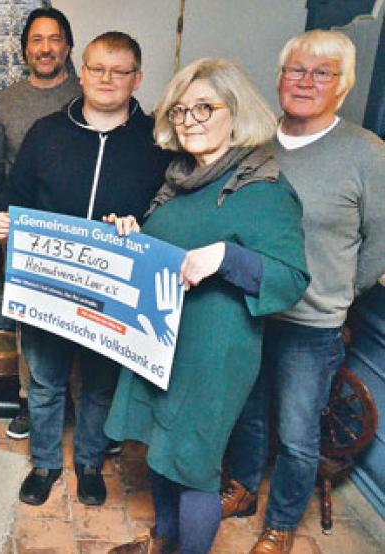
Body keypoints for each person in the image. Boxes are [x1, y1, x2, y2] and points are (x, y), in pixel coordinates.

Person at [104, 58, 309, 554]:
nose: (190, 119)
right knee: (159, 449)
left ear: (235, 113)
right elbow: (167, 243)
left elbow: (293, 277)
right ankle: (164, 541)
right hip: (159, 339)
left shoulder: (263, 185)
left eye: (205, 107)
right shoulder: (179, 178)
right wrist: (133, 233)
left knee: (194, 464)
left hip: (213, 353)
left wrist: (226, 256)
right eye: (179, 110)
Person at [0, 32, 169, 507]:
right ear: (81, 71)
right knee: (46, 383)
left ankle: (89, 461)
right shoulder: (46, 131)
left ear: (137, 78)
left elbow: (170, 215)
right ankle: (45, 463)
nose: (107, 79)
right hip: (48, 287)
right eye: (97, 68)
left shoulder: (157, 142)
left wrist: (144, 225)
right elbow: (14, 197)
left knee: (100, 385)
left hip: (114, 293)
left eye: (119, 70)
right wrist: (3, 223)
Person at [224, 30, 385, 554]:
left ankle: (281, 523)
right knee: (245, 412)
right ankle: (243, 489)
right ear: (279, 77)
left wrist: (338, 296)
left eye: (322, 72)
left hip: (312, 325)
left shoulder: (365, 152)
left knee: (296, 433)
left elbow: (380, 243)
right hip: (248, 309)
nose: (305, 81)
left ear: (344, 85)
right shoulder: (254, 140)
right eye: (296, 70)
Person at [0, 7, 81, 441]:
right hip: (26, 236)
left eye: (54, 39)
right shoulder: (6, 102)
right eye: (36, 40)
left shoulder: (88, 92)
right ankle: (30, 401)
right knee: (31, 326)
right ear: (25, 49)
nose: (45, 48)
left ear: (68, 46)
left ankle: (83, 407)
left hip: (84, 235)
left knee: (87, 322)